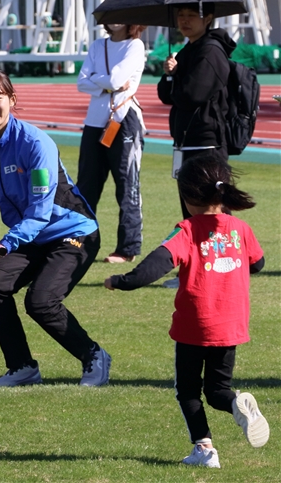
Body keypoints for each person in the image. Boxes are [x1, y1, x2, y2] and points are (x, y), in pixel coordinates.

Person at [104, 154, 268, 468]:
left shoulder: (188, 230)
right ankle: (237, 403)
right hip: (231, 326)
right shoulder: (240, 229)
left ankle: (205, 451)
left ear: (189, 196)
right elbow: (258, 264)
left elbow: (151, 268)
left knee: (188, 391)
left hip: (196, 326)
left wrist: (119, 281)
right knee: (218, 389)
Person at [0, 70, 110, 388]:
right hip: (30, 236)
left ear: (12, 100)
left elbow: (40, 213)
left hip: (73, 231)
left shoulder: (35, 142)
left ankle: (94, 356)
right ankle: (22, 367)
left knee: (41, 301)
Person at [76, 23, 147, 264]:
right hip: (95, 121)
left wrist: (98, 79)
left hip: (123, 120)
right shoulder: (98, 45)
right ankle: (79, 240)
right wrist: (106, 83)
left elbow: (117, 80)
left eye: (122, 16)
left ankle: (127, 248)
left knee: (127, 185)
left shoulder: (135, 46)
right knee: (86, 185)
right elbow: (81, 82)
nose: (115, 21)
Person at [158, 2, 234, 220]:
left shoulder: (211, 51)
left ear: (208, 18)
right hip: (186, 140)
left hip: (206, 141)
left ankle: (229, 251)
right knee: (191, 208)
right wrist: (170, 74)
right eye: (180, 15)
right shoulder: (186, 52)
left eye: (191, 15)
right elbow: (165, 94)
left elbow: (192, 95)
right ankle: (199, 253)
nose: (184, 21)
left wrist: (177, 77)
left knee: (212, 208)